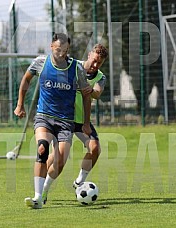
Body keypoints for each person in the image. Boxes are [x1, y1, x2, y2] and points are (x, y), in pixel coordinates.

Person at [14, 33, 92, 209]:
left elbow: (87, 96)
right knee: (42, 148)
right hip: (44, 117)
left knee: (60, 160)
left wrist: (86, 123)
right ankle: (37, 197)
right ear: (51, 46)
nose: (62, 54)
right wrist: (20, 105)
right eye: (58, 50)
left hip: (65, 122)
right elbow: (26, 80)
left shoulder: (76, 68)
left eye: (65, 50)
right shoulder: (40, 62)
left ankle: (45, 191)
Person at [44, 43, 108, 202]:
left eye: (99, 63)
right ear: (89, 55)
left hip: (81, 121)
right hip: (64, 118)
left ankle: (79, 181)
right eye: (94, 60)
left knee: (95, 148)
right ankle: (42, 187)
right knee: (56, 156)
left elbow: (97, 94)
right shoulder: (72, 67)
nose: (95, 65)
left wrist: (88, 89)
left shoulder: (101, 77)